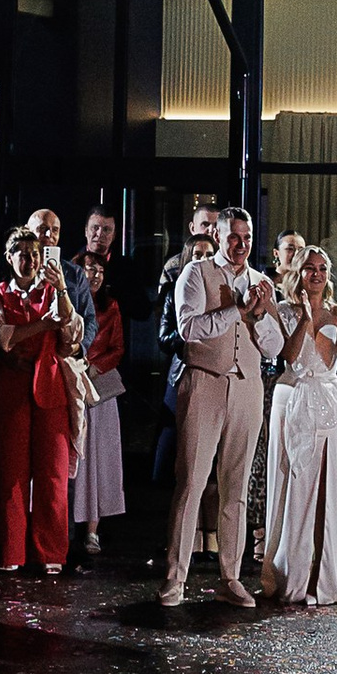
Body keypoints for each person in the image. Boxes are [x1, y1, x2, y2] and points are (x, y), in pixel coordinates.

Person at [162, 206, 276, 608]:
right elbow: (188, 328)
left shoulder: (262, 282)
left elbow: (275, 347)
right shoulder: (195, 273)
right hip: (204, 382)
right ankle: (175, 578)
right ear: (219, 236)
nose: (241, 244)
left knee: (236, 487)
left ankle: (231, 576)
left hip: (247, 388)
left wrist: (258, 316)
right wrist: (236, 310)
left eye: (246, 238)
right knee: (191, 482)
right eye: (233, 237)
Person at [0, 224, 81, 575]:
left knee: (52, 476)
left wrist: (61, 292)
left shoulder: (53, 292)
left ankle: (51, 553)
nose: (28, 261)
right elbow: (2, 336)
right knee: (12, 477)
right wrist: (43, 325)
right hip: (12, 392)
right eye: (22, 254)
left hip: (50, 389)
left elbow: (72, 334)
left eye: (35, 255)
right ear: (9, 258)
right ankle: (13, 553)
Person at [263, 245, 337, 604]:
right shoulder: (284, 311)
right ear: (298, 273)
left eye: (322, 268)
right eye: (309, 268)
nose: (316, 274)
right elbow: (287, 355)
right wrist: (305, 317)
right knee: (291, 483)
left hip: (329, 404)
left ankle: (323, 578)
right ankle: (289, 574)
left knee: (328, 488)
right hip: (294, 397)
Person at [151, 200, 222, 561]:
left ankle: (211, 535)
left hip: (218, 378)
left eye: (209, 250)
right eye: (197, 251)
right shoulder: (175, 280)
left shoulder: (226, 287)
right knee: (183, 461)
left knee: (213, 467)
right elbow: (165, 335)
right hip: (184, 374)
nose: (203, 254)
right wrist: (193, 339)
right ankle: (186, 536)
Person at [69, 247, 127, 556]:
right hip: (69, 383)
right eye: (89, 270)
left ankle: (92, 530)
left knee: (98, 459)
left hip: (99, 388)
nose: (95, 276)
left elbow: (117, 348)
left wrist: (93, 367)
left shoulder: (111, 306)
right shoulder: (69, 304)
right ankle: (66, 524)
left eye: (100, 271)